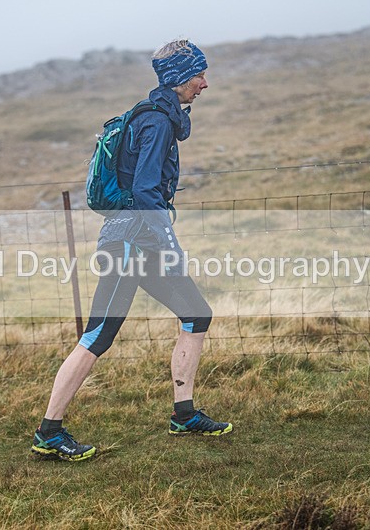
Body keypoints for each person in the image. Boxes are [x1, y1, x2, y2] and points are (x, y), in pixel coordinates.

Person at [31, 39, 232, 462]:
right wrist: (172, 245)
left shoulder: (158, 117)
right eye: (199, 74)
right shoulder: (157, 122)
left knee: (197, 314)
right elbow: (143, 191)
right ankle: (49, 433)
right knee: (97, 336)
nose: (205, 83)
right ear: (179, 77)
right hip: (130, 244)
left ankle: (184, 414)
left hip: (142, 243)